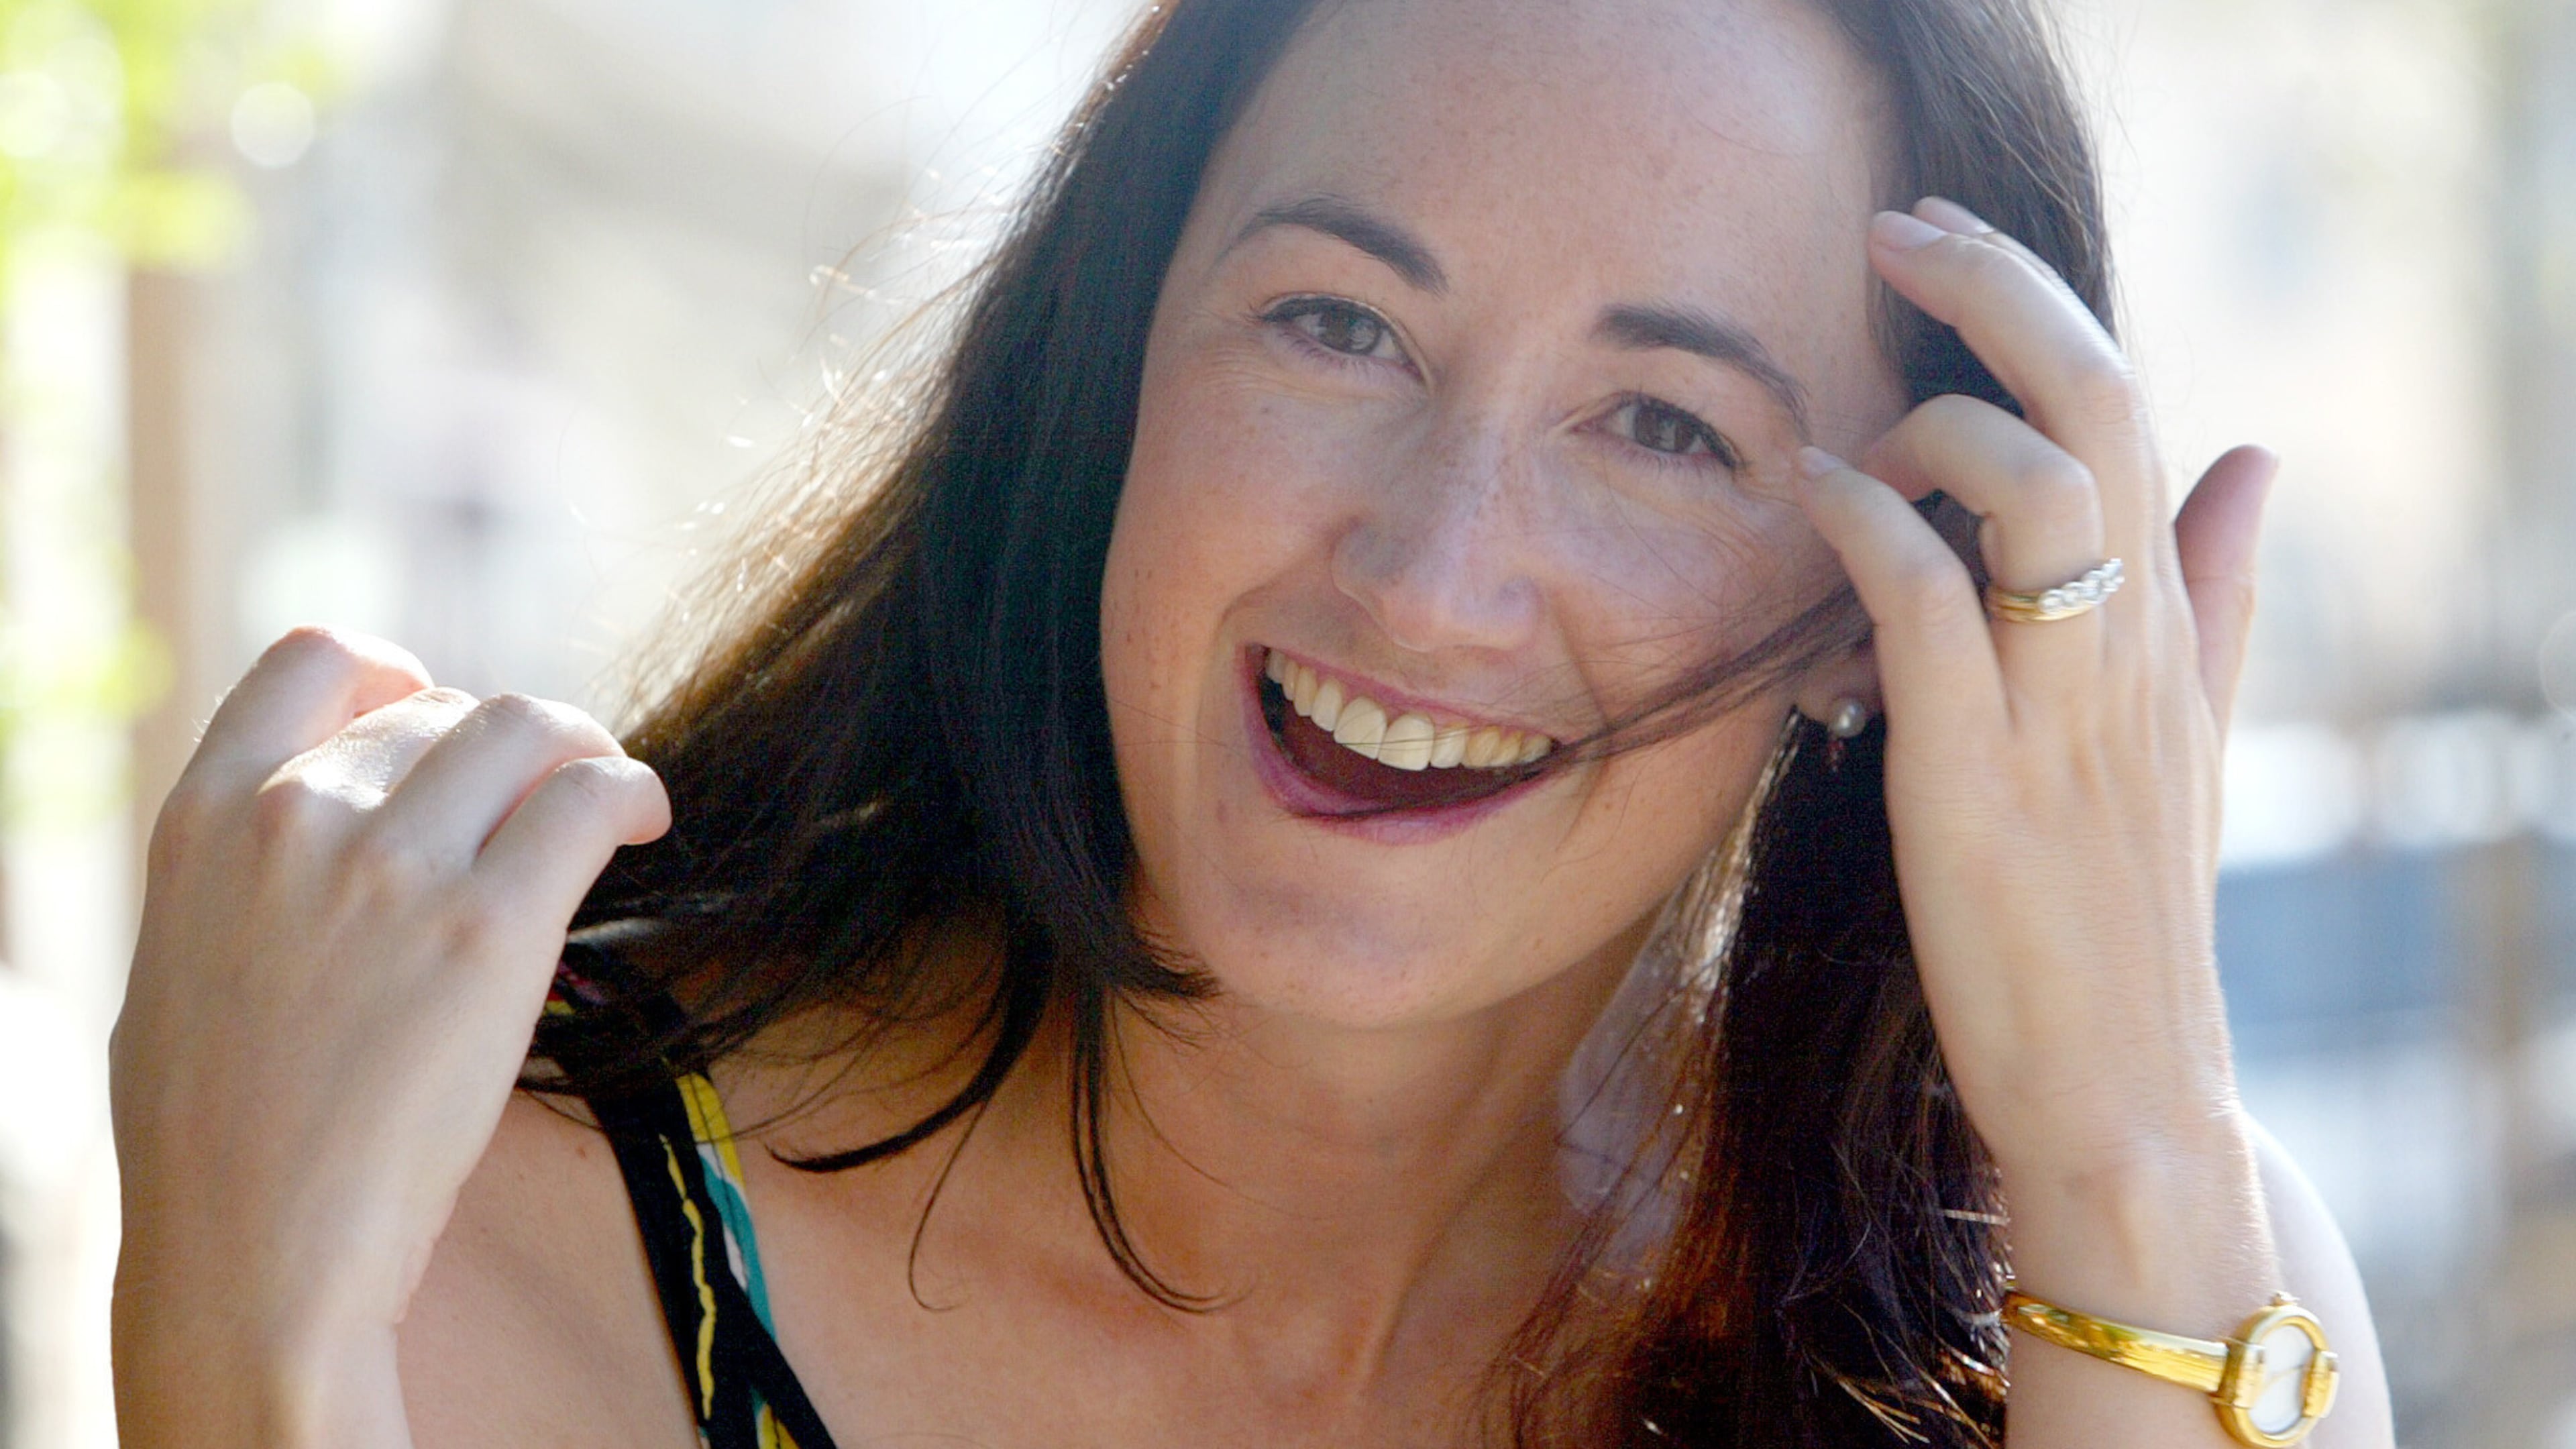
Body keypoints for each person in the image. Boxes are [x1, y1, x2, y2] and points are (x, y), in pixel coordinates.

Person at [107, 0, 2398, 1444]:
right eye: (1338, 326)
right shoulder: (461, 1208)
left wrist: (2125, 1157)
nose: (1425, 572)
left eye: (1665, 428)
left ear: (1874, 611)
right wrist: (239, 1372)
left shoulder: (2138, 1297)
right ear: (1120, 360)